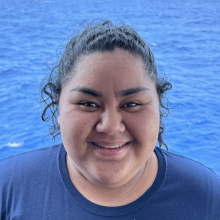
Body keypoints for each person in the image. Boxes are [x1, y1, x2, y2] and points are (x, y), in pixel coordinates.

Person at [0, 20, 220, 220]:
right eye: (88, 104)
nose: (111, 126)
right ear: (58, 106)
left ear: (159, 107)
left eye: (132, 104)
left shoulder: (209, 198)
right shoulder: (8, 188)